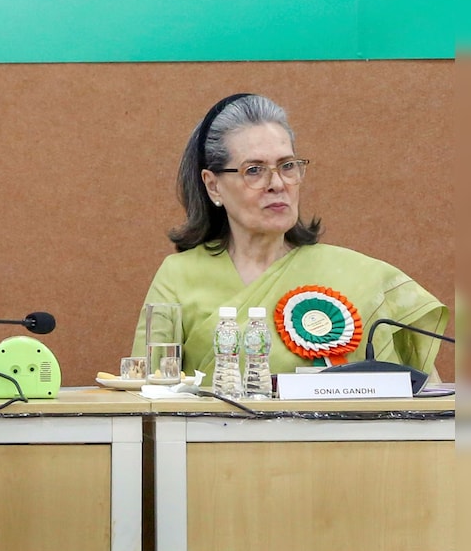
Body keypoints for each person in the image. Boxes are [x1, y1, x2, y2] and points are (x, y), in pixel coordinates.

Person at [132, 93, 448, 378]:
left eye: (287, 166)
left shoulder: (360, 276)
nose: (277, 184)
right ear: (213, 185)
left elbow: (429, 400)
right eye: (254, 170)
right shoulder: (178, 277)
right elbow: (148, 396)